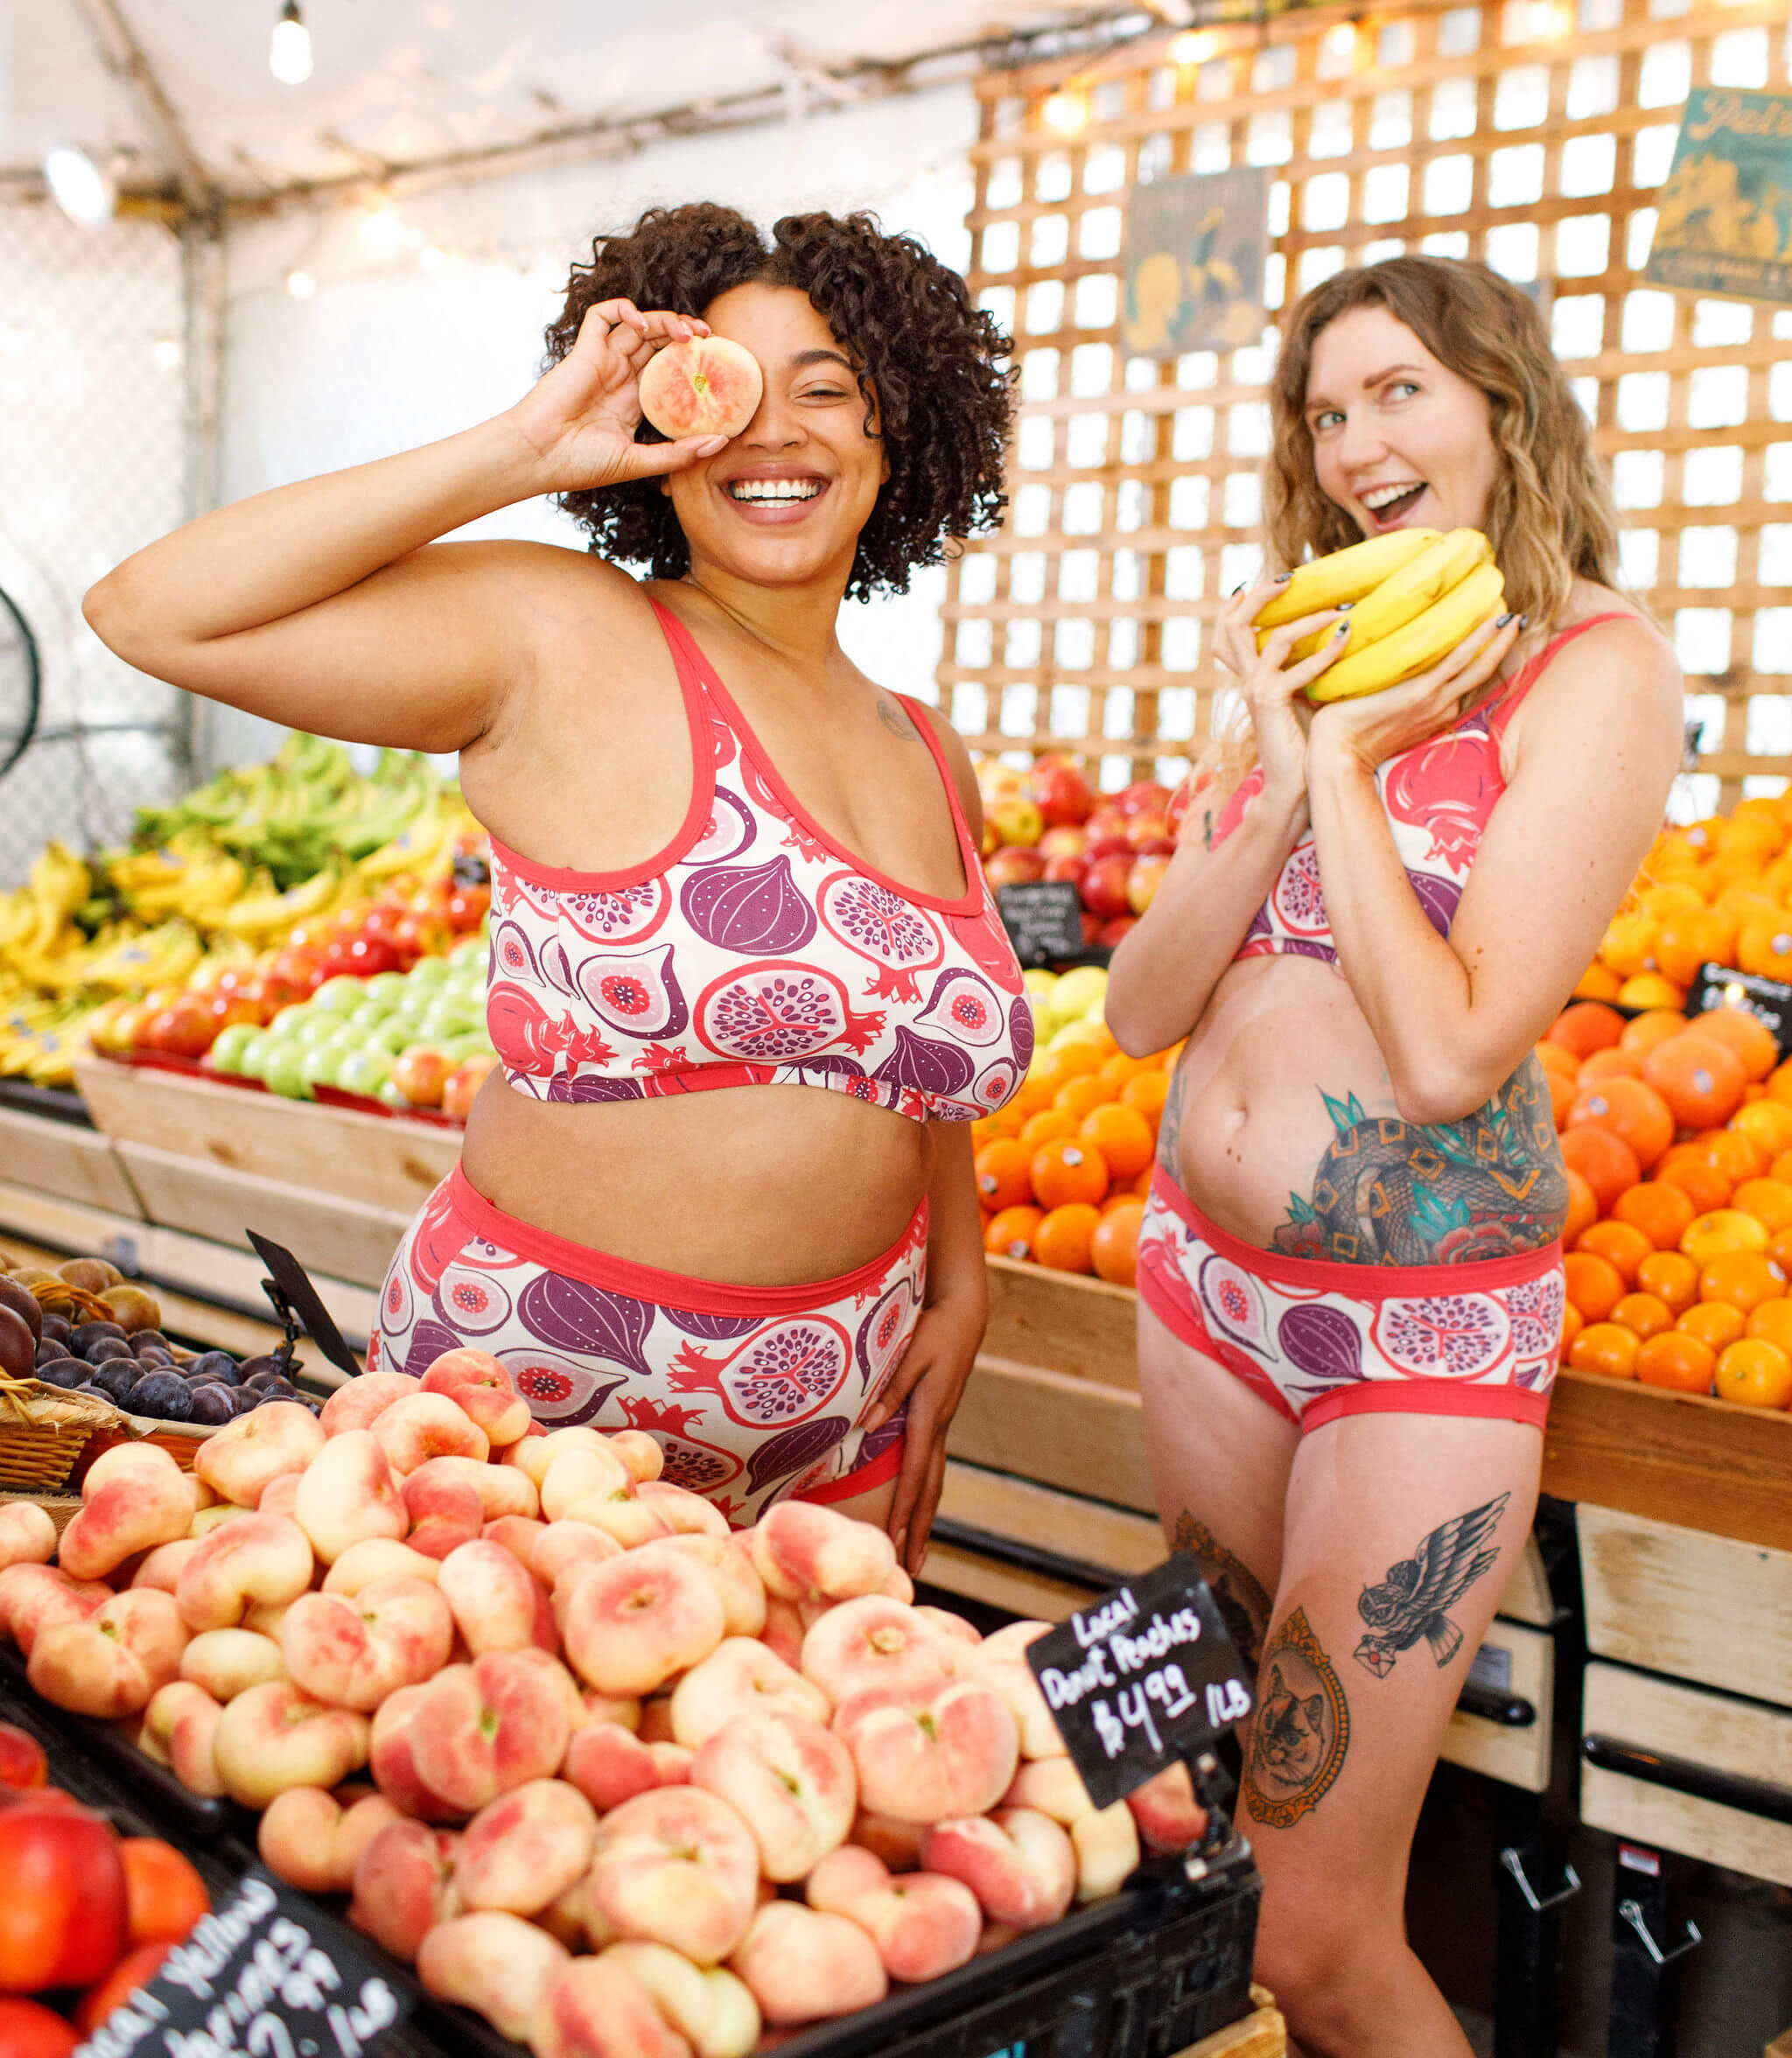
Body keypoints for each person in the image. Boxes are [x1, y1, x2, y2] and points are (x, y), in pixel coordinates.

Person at [84, 202, 1029, 1562]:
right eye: (726, 394)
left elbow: (912, 1063)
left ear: (903, 424)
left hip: (847, 1418)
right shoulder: (565, 635)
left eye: (827, 387)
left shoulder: (927, 749)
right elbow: (153, 609)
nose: (773, 432)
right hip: (526, 1426)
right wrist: (523, 447)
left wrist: (960, 1286)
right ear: (658, 429)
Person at [1104, 256, 1683, 2058]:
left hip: (1411, 1337)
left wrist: (1348, 764)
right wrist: (1280, 759)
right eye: (1326, 410)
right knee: (1204, 1829)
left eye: (1400, 393)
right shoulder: (1312, 646)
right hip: (1204, 1288)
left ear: (1501, 405)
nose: (1356, 441)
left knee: (1313, 1918)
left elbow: (1445, 1048)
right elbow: (1135, 1007)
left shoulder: (1591, 668)